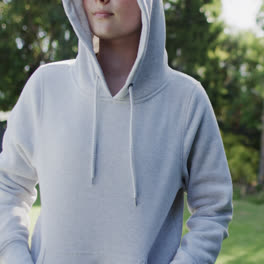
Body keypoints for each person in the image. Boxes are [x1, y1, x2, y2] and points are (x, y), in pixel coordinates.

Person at [0, 0, 234, 263]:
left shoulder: (187, 100)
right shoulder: (45, 87)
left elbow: (213, 208)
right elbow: (8, 184)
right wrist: (13, 254)